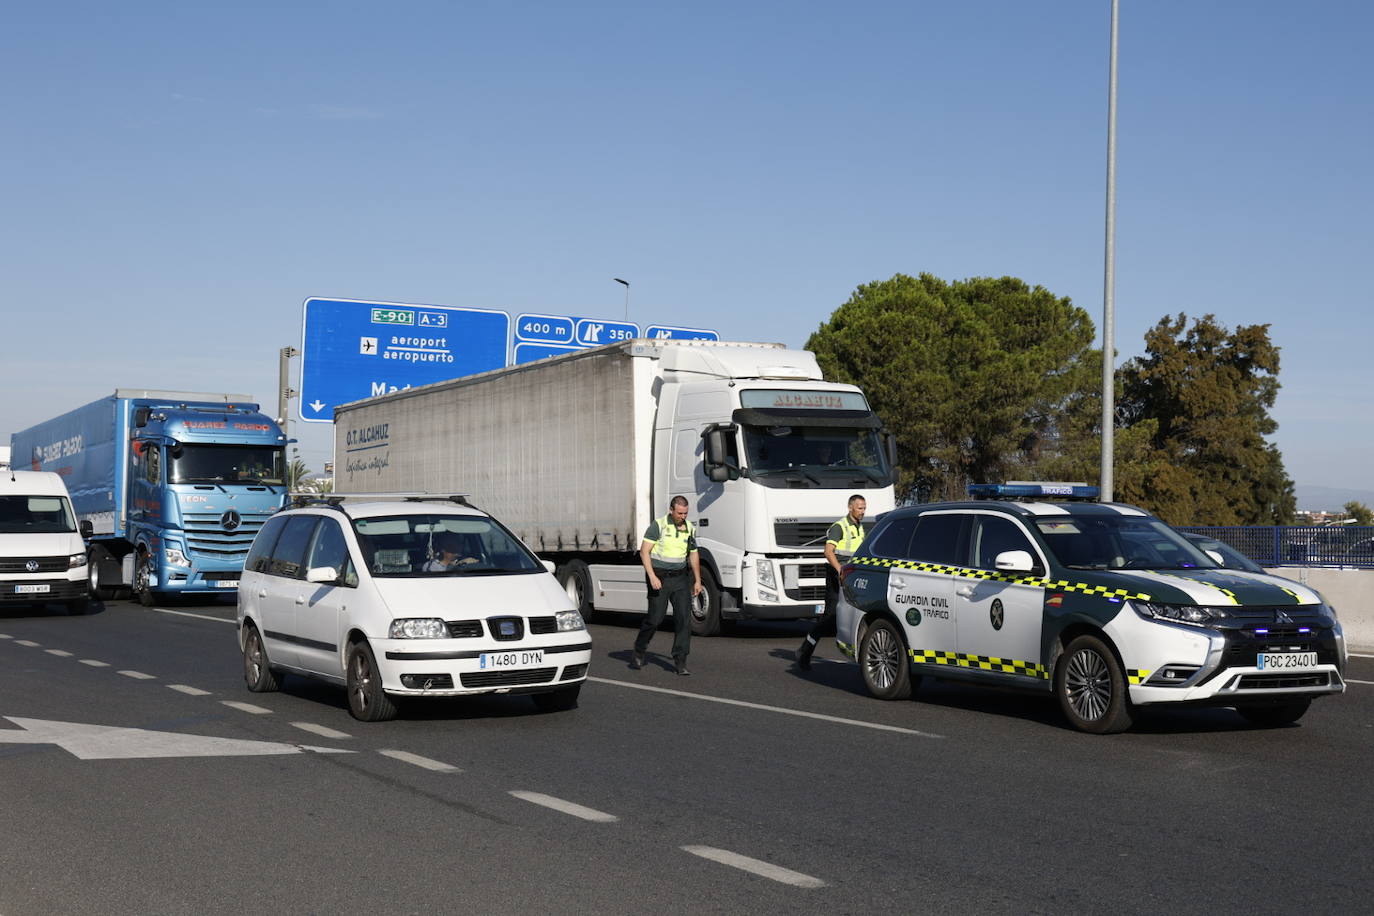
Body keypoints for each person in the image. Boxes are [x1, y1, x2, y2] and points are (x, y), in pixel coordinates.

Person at [631, 495, 703, 676]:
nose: (683, 516)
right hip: (660, 578)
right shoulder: (659, 525)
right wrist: (652, 576)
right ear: (671, 510)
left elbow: (693, 554)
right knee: (655, 618)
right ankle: (640, 648)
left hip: (680, 578)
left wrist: (698, 580)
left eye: (686, 513)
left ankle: (680, 660)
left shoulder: (689, 528)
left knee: (684, 619)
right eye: (680, 513)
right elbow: (644, 552)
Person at [797, 494, 867, 671]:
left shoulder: (860, 527)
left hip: (851, 575)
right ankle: (805, 650)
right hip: (837, 575)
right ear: (850, 507)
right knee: (830, 616)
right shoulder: (839, 527)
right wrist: (840, 570)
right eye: (860, 508)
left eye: (864, 508)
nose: (863, 511)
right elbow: (828, 552)